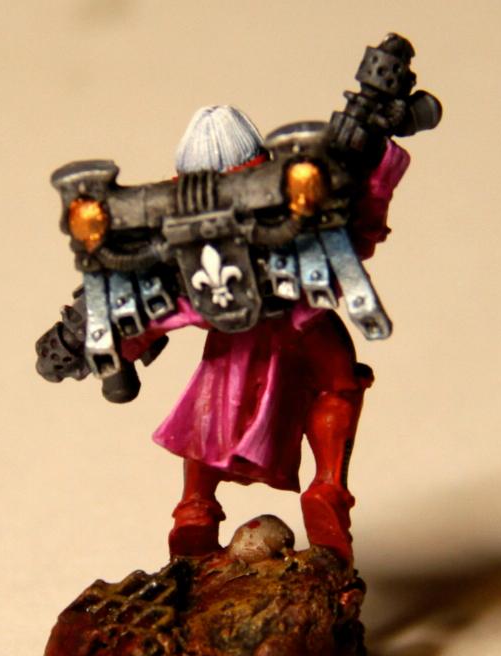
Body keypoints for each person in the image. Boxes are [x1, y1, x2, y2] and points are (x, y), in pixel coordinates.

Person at [118, 105, 410, 562]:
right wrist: (376, 169)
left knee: (210, 412)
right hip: (300, 324)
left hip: (247, 333)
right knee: (335, 387)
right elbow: (359, 235)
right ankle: (327, 486)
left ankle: (195, 508)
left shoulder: (198, 226)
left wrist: (124, 342)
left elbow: (155, 303)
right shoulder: (267, 209)